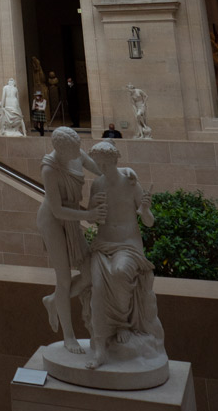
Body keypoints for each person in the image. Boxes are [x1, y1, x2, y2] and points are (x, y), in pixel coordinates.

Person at [84, 140, 164, 371]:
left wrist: (145, 209)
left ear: (114, 161)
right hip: (103, 244)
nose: (101, 168)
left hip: (128, 245)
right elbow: (90, 218)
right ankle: (100, 349)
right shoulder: (97, 184)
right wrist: (93, 210)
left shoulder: (130, 181)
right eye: (98, 164)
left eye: (104, 164)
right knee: (98, 289)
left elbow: (149, 222)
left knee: (120, 272)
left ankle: (122, 324)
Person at [37, 126, 102, 354]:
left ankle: (53, 300)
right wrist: (88, 215)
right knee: (63, 278)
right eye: (73, 149)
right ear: (61, 150)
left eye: (78, 147)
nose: (78, 152)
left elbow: (101, 171)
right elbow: (56, 209)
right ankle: (69, 336)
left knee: (89, 274)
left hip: (72, 218)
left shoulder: (76, 152)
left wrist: (122, 175)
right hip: (53, 221)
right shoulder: (50, 168)